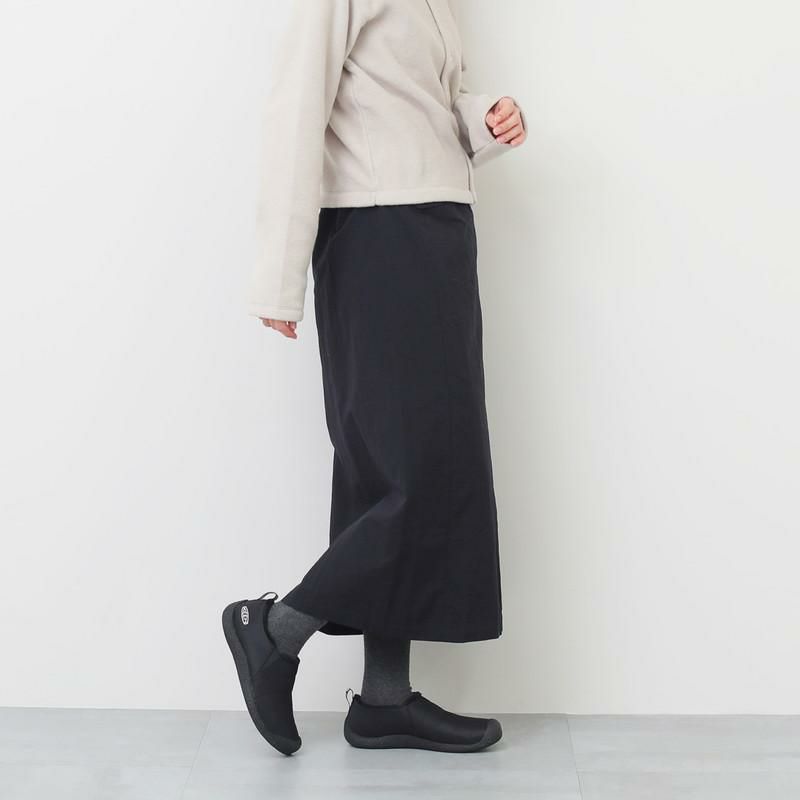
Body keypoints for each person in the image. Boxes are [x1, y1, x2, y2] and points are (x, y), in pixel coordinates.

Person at [222, 0, 526, 756]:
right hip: (377, 235)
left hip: (439, 228)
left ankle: (385, 699)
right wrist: (279, 279)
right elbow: (296, 111)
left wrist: (484, 117)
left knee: (405, 468)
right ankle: (274, 630)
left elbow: (418, 106)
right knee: (414, 475)